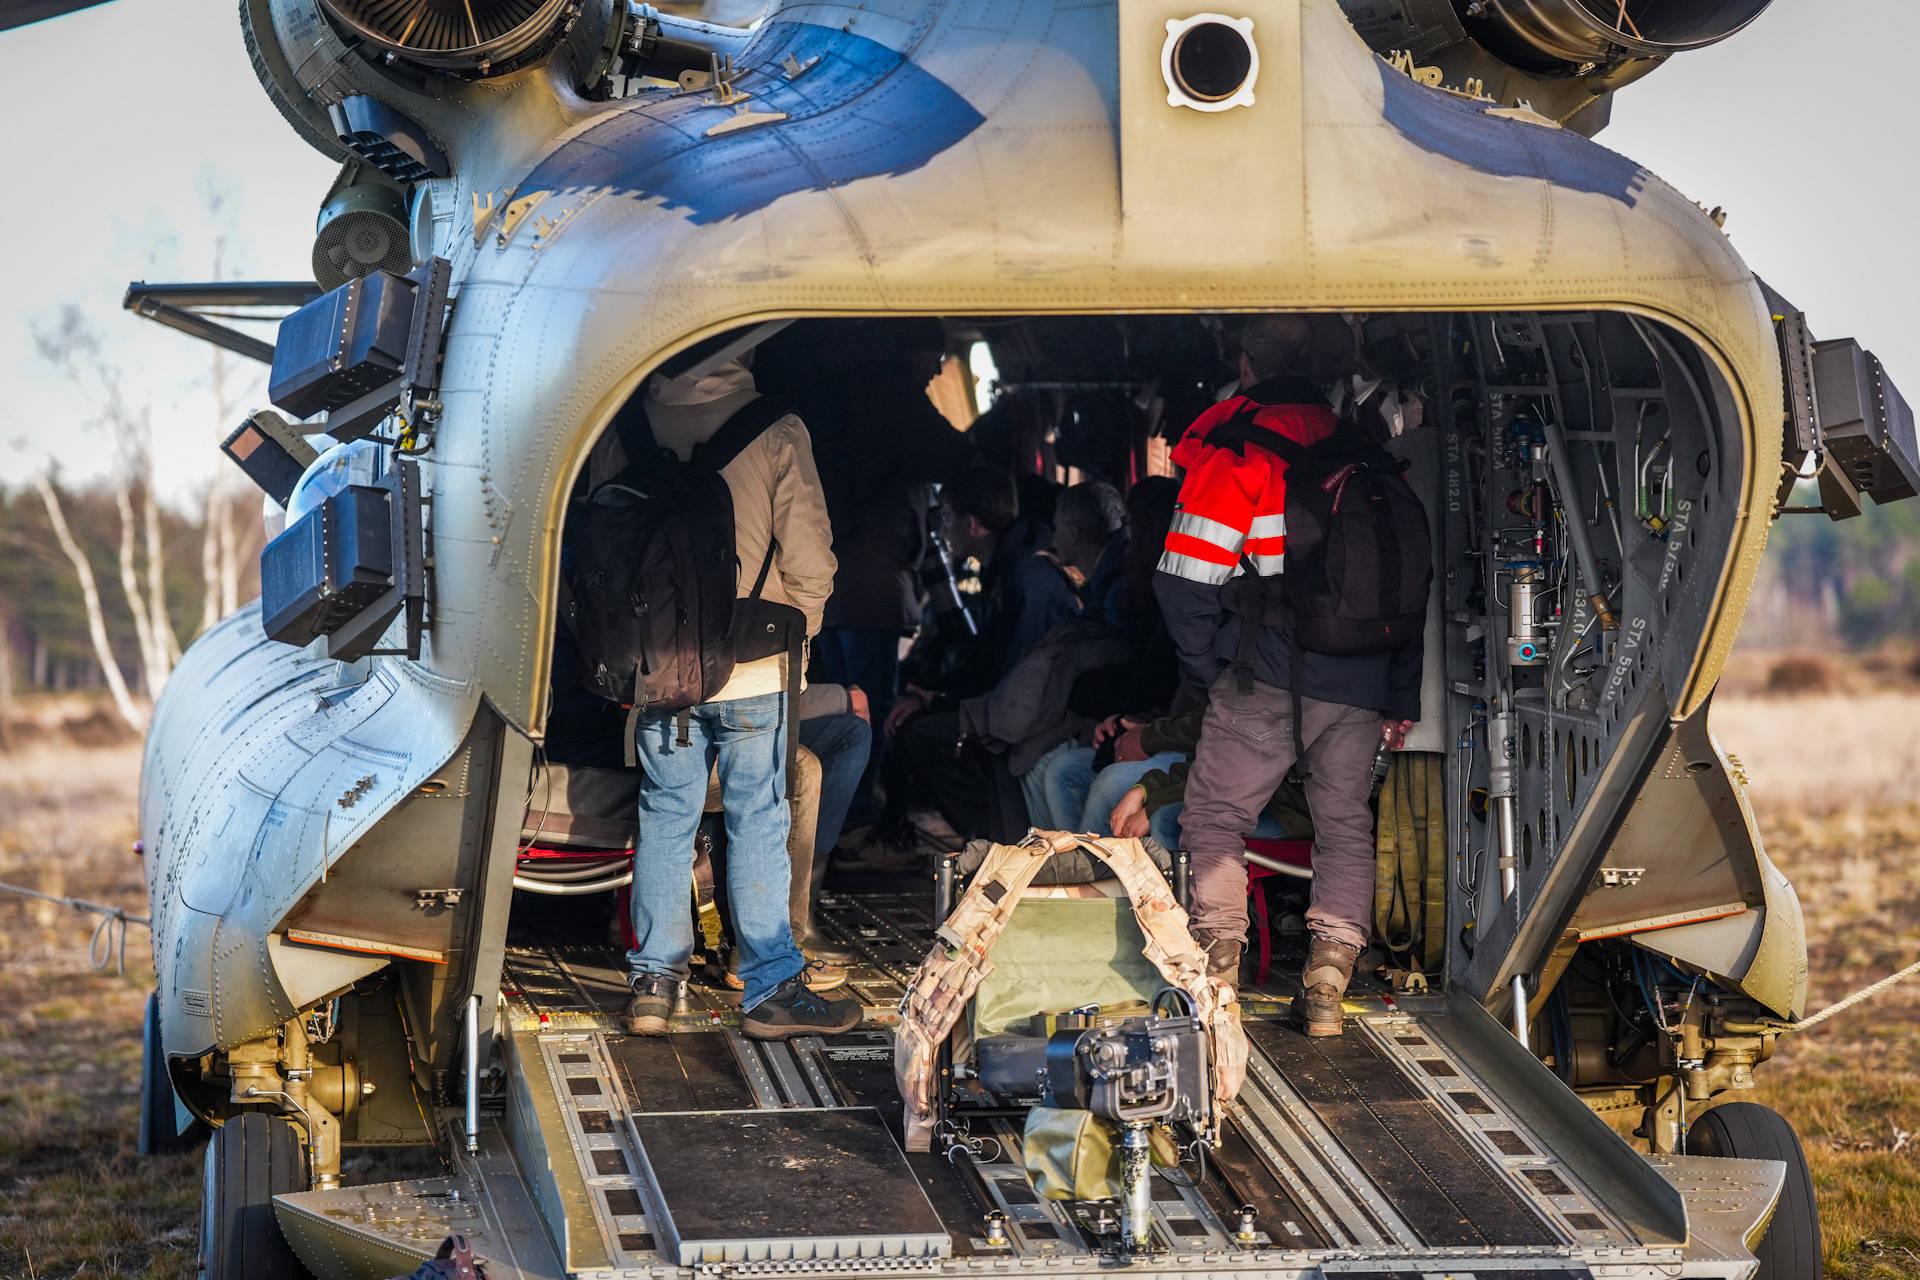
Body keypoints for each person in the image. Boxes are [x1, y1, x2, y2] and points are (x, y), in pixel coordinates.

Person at [1152, 315, 1422, 1037]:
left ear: (1245, 365)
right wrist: (1396, 689)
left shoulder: (1239, 448)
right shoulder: (1363, 445)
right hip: (1361, 678)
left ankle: (1218, 972)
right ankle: (1328, 981)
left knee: (1214, 819)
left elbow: (1185, 581)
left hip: (1266, 671)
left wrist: (1208, 670)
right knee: (1344, 827)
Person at [606, 349, 863, 1041]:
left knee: (665, 816)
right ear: (743, 350)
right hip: (755, 661)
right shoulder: (776, 429)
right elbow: (810, 558)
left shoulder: (629, 425)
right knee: (758, 814)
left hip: (659, 669)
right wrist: (796, 640)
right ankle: (770, 985)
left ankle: (655, 984)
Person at [880, 480, 1126, 844]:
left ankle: (994, 843)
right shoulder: (1010, 569)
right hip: (1034, 705)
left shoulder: (1030, 578)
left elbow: (1014, 677)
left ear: (973, 524)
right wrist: (935, 694)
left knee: (932, 735)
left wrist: (942, 702)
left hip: (1048, 714)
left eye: (948, 518)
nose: (943, 530)